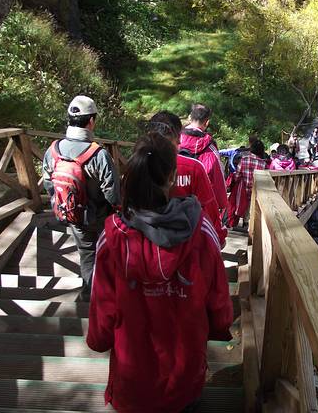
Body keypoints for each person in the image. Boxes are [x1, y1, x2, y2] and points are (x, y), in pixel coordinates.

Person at [87, 131, 233, 413]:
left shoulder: (112, 237)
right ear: (172, 177)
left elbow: (101, 309)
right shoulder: (202, 232)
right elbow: (219, 301)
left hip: (132, 378)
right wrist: (218, 327)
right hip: (185, 373)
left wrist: (99, 339)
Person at [42, 95, 120, 302]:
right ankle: (107, 297)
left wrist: (63, 203)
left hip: (72, 214)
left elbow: (48, 183)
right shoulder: (98, 154)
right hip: (100, 217)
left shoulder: (53, 150)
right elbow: (112, 193)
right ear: (91, 121)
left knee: (86, 253)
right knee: (106, 253)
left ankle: (88, 294)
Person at [148, 111, 227, 247]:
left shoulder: (137, 163)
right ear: (178, 137)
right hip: (186, 243)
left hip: (145, 242)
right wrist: (219, 236)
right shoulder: (194, 166)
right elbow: (209, 207)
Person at [179, 104, 227, 211]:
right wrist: (222, 203)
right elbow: (218, 177)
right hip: (198, 208)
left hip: (171, 204)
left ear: (190, 117)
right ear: (207, 122)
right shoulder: (210, 148)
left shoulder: (174, 140)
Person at [230, 140, 267, 227]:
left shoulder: (244, 160)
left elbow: (237, 176)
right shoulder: (263, 164)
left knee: (242, 205)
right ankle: (248, 223)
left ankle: (244, 221)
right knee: (252, 205)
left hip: (243, 189)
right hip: (256, 191)